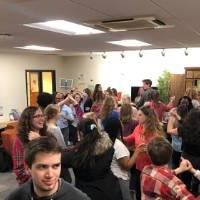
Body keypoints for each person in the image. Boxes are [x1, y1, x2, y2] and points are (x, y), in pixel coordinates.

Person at [7, 136, 90, 200]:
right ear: (28, 169)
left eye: (56, 166)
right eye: (42, 167)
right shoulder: (16, 197)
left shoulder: (78, 198)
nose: (50, 175)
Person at [62, 118, 123, 200]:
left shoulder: (77, 155)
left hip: (88, 194)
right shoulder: (108, 148)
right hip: (111, 189)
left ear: (80, 133)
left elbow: (58, 160)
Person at [123, 106, 164, 200]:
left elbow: (160, 153)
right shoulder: (138, 127)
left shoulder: (155, 133)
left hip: (151, 169)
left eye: (140, 115)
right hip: (139, 168)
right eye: (137, 114)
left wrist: (148, 150)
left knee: (149, 195)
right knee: (138, 193)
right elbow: (131, 138)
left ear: (148, 117)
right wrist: (120, 137)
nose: (137, 117)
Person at [104, 117, 145, 200]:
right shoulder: (118, 145)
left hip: (112, 176)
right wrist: (137, 152)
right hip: (120, 179)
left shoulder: (107, 140)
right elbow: (126, 166)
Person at [12, 106, 48, 185]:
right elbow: (19, 169)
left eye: (42, 115)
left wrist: (40, 140)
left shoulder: (47, 135)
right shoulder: (20, 140)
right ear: (28, 119)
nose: (42, 119)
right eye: (37, 116)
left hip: (50, 179)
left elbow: (54, 154)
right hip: (32, 183)